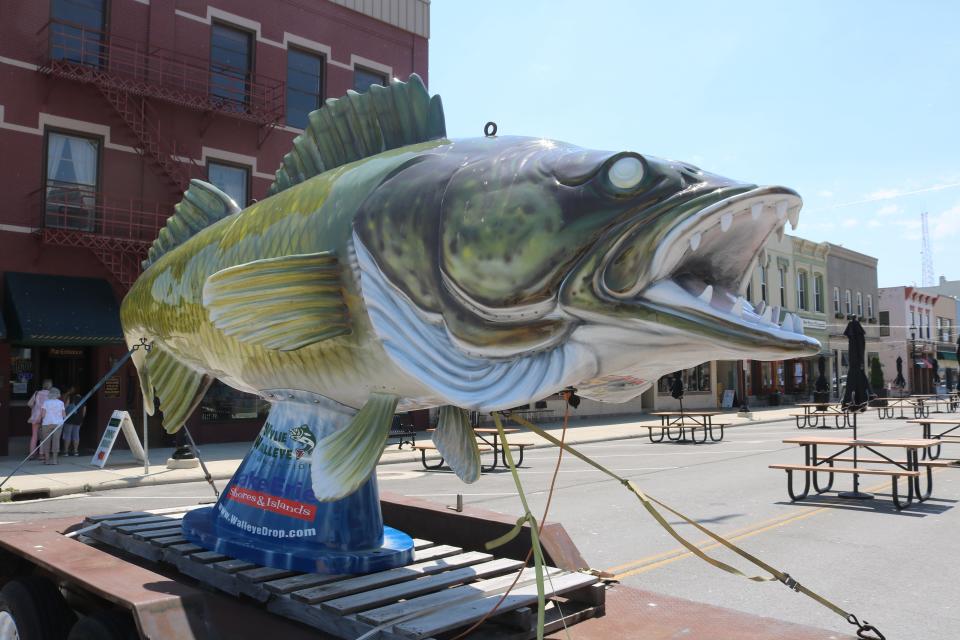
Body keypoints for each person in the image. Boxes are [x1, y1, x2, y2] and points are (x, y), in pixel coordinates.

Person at [38, 387, 66, 465]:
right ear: (58, 394)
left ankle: (47, 460)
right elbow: (64, 414)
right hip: (58, 424)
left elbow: (43, 415)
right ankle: (55, 460)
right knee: (56, 441)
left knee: (46, 442)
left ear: (49, 394)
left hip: (47, 423)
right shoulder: (61, 403)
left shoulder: (46, 403)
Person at [27, 379, 52, 461]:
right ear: (50, 386)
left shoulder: (37, 393)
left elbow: (29, 404)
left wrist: (35, 408)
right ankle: (41, 455)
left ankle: (31, 454)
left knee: (34, 435)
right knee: (43, 436)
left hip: (35, 416)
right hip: (45, 417)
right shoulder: (50, 395)